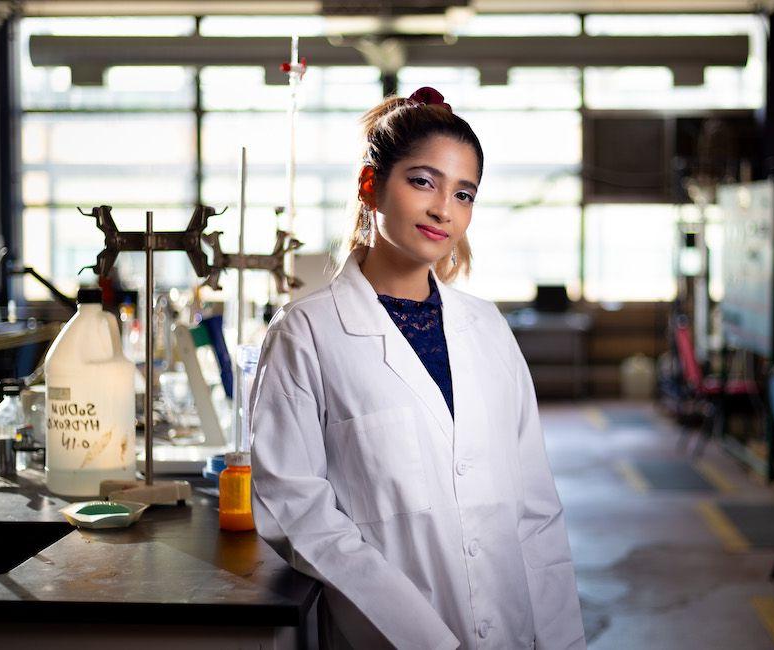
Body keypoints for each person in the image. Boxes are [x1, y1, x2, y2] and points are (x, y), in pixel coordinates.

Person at [249, 87, 587, 649]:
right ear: (370, 186)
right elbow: (297, 513)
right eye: (423, 181)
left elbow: (536, 515)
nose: (443, 210)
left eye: (464, 193)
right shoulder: (306, 334)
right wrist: (424, 638)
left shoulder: (489, 331)